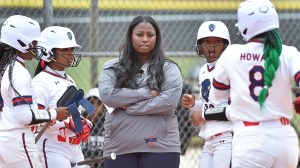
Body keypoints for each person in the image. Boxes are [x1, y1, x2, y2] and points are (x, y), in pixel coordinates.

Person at [209, 0, 299, 167]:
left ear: (245, 26)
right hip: (285, 139)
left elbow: (217, 94)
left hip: (250, 138)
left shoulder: (232, 53)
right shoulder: (288, 52)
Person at [98, 15, 183, 168]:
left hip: (161, 145)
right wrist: (147, 94)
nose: (145, 39)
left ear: (157, 37)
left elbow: (168, 102)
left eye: (150, 35)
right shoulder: (113, 67)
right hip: (119, 145)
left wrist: (130, 107)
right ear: (130, 36)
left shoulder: (169, 68)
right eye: (139, 34)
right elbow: (108, 96)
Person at [0, 15, 70, 168]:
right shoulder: (18, 72)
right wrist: (54, 113)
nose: (36, 46)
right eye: (34, 42)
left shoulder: (4, 68)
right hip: (18, 141)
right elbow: (24, 116)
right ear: (21, 42)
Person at [31, 26, 92, 168]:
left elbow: (72, 114)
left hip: (74, 149)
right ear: (47, 52)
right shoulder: (40, 82)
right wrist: (62, 122)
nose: (71, 53)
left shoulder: (69, 80)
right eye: (65, 49)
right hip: (51, 149)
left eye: (72, 49)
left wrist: (82, 124)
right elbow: (33, 121)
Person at [181, 21, 233, 168]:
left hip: (227, 138)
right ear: (200, 46)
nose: (211, 46)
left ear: (225, 45)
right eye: (206, 42)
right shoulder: (204, 70)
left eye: (217, 41)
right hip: (209, 140)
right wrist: (194, 104)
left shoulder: (228, 68)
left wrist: (203, 114)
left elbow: (231, 108)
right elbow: (209, 105)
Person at [81, 87, 106, 168]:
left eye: (98, 104)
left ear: (103, 107)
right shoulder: (78, 123)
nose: (94, 107)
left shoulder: (108, 124)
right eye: (91, 102)